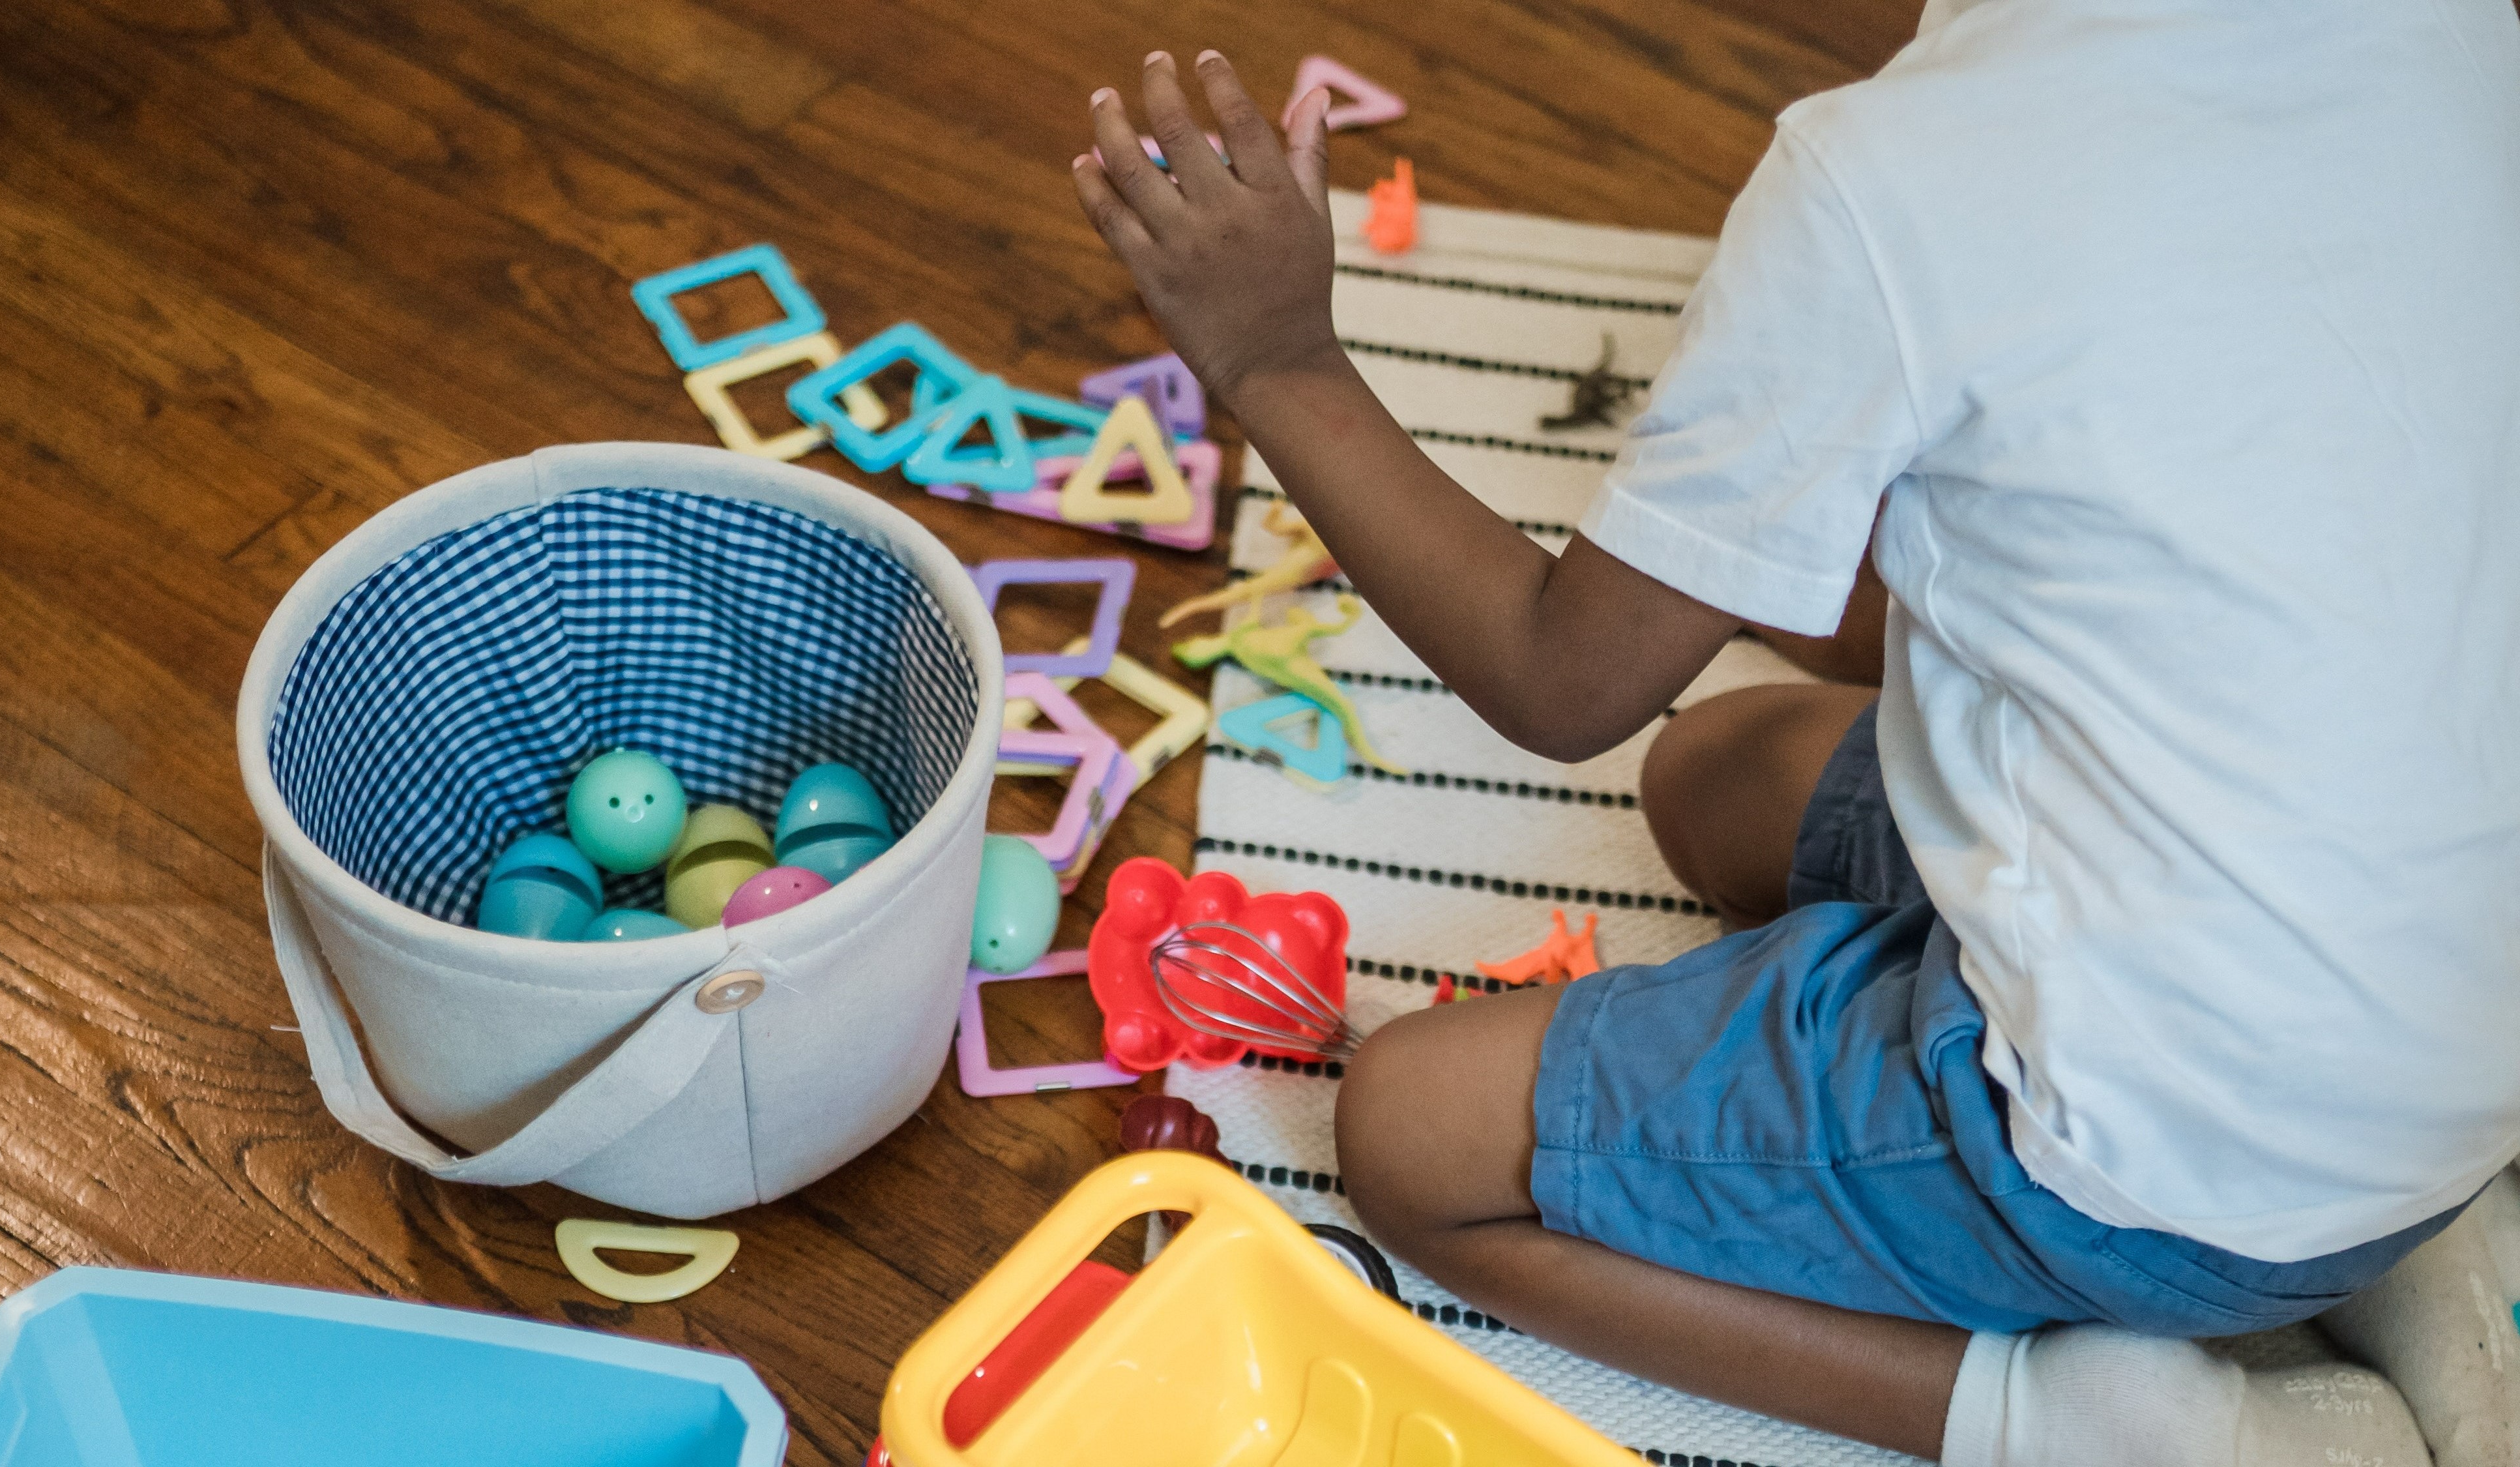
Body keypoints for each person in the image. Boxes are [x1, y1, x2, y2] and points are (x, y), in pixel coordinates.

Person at [1068, 1, 2520, 1461]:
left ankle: (2100, 1421)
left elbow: (1557, 685)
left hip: (2174, 1152)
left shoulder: (1895, 177)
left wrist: (1276, 359)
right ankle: (2396, 1234)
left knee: (1410, 1135)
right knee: (1713, 776)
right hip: (2452, 1051)